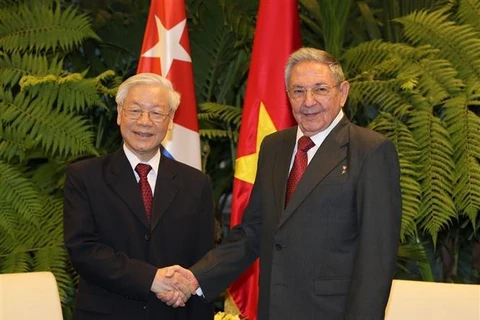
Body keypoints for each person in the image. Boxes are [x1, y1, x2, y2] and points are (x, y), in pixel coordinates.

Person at [164, 47, 403, 319]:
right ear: (288, 95)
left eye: (320, 89)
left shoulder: (370, 150)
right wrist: (196, 277)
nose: (308, 101)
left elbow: (377, 256)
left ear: (343, 92)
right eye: (298, 91)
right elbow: (254, 230)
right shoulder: (274, 146)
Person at [63, 73, 215, 320]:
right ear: (119, 113)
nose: (145, 122)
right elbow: (83, 250)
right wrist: (151, 279)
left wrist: (186, 288)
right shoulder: (84, 177)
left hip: (174, 313)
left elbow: (203, 259)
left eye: (156, 113)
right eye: (135, 110)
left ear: (171, 120)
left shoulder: (196, 183)